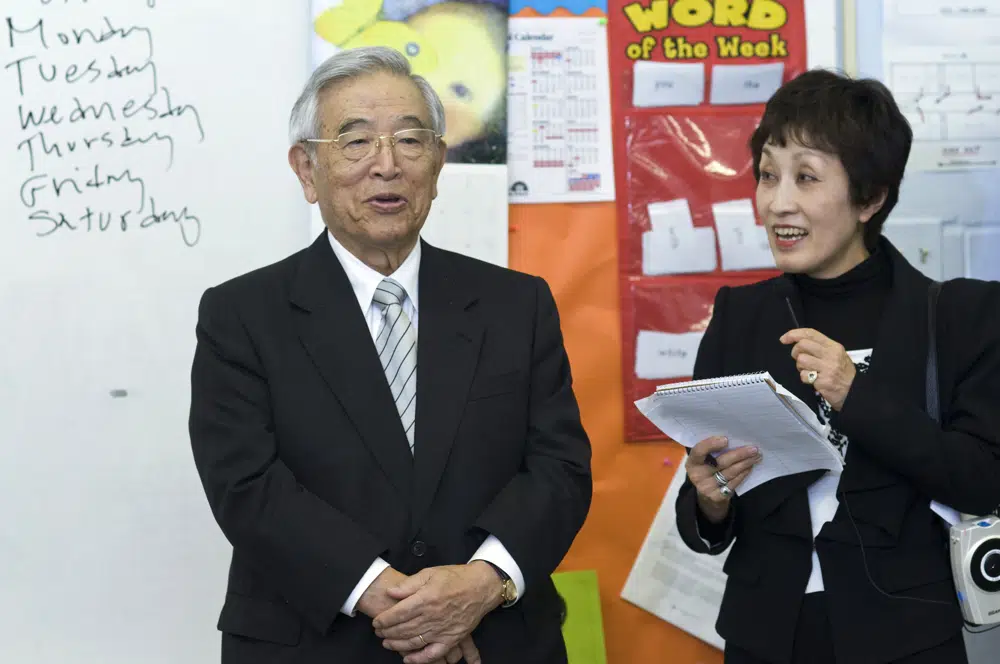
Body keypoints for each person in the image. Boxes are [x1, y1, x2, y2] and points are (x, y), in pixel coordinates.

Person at [188, 45, 591, 664]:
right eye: (355, 142)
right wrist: (395, 599)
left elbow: (559, 469)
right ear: (306, 170)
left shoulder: (517, 304)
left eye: (410, 140)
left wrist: (480, 584)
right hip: (314, 643)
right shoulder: (242, 315)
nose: (387, 166)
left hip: (496, 638)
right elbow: (245, 483)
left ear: (437, 163)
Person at [675, 69, 1000, 664]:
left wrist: (858, 395)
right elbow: (704, 502)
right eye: (768, 175)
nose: (778, 203)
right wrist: (708, 500)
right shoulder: (739, 315)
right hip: (766, 633)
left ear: (869, 198)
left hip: (906, 634)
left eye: (806, 177)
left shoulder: (960, 315)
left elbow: (983, 478)